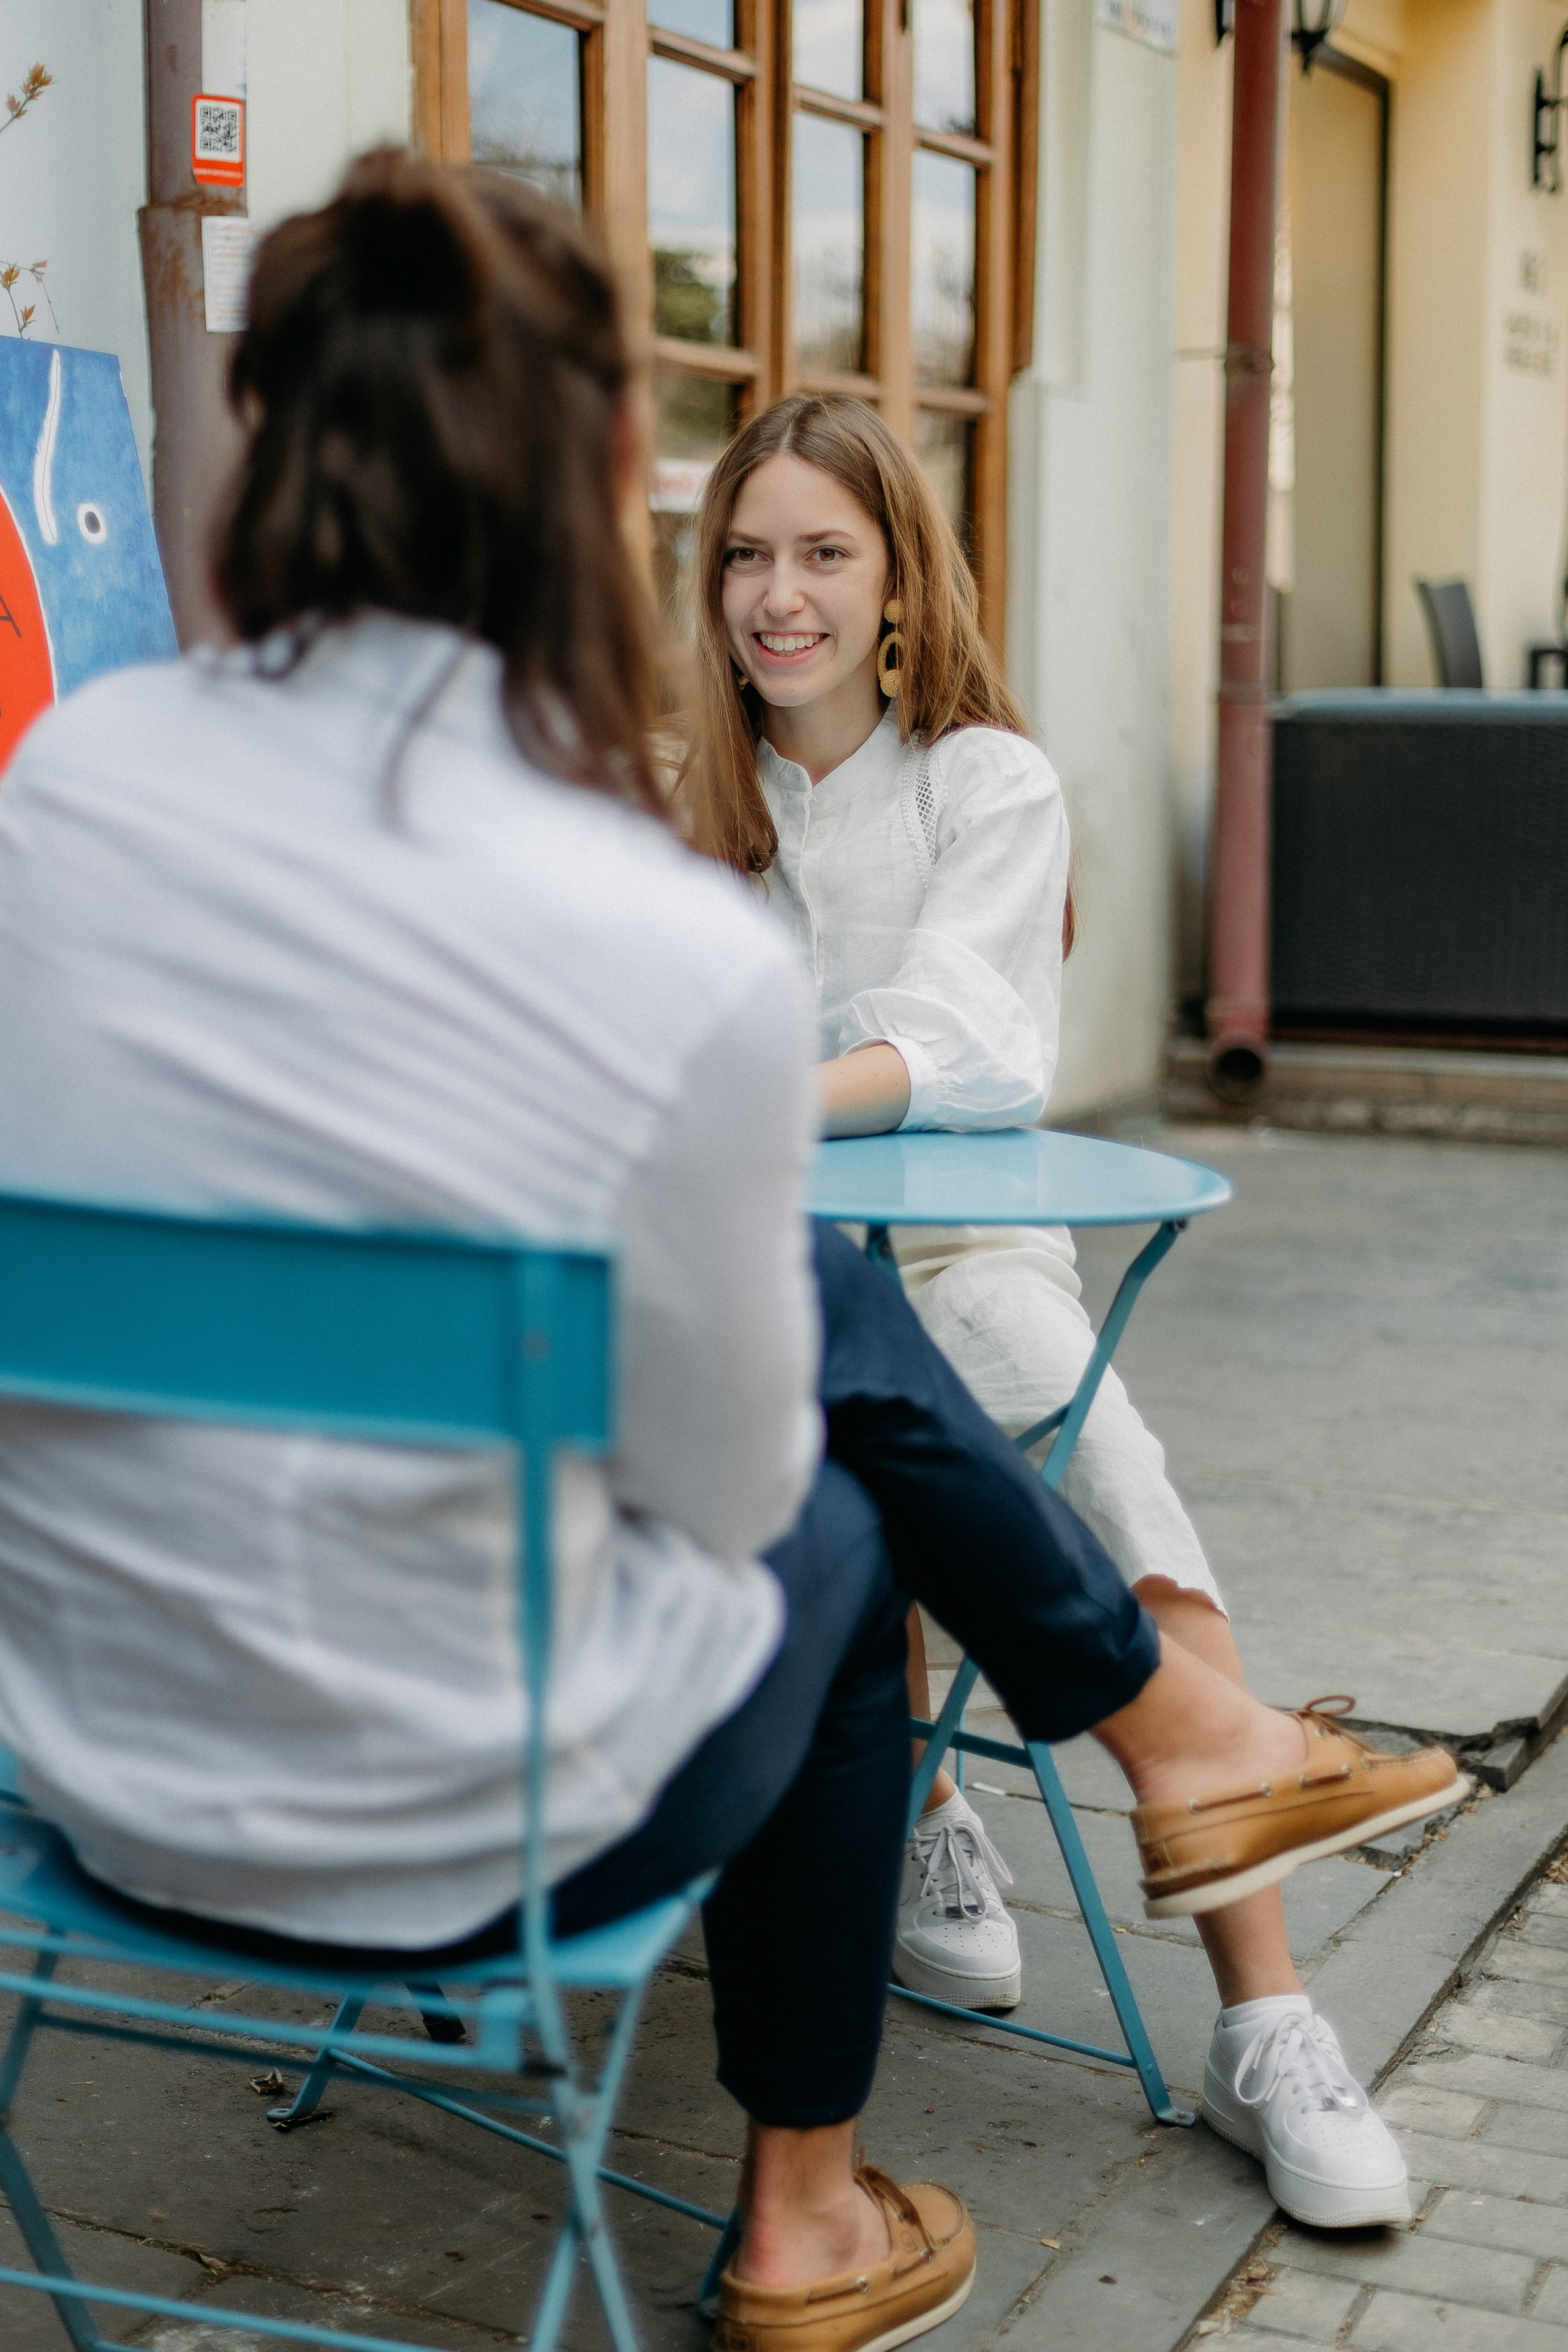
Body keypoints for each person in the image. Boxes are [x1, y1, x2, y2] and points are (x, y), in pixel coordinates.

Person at [0, 155, 1461, 2352]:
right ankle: (820, 2192)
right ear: (614, 478)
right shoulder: (634, 931)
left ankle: (1164, 1742)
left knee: (853, 1355)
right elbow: (704, 1485)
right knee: (837, 1475)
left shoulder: (61, 796)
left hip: (91, 1781)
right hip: (471, 1822)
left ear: (261, 446)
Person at [682, 389, 1449, 2233]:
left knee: (1084, 1437)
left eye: (821, 554)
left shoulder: (984, 783)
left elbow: (964, 1039)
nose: (775, 595)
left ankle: (1263, 2013)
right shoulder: (690, 802)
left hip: (957, 1250)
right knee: (810, 1471)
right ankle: (929, 1813)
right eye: (743, 555)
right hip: (741, 1266)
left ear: (893, 586)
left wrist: (729, 1103)